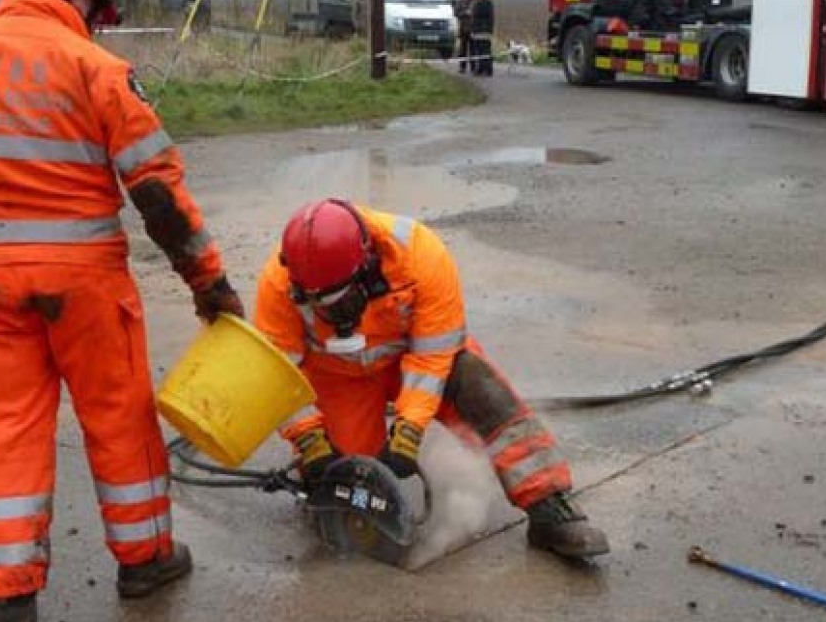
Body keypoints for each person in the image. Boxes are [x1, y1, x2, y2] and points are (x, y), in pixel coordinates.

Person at [0, 0, 244, 621]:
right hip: (87, 284)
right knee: (119, 421)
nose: (96, 21)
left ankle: (11, 595)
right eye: (98, 8)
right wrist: (208, 283)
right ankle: (145, 561)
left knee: (9, 432)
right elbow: (157, 194)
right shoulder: (96, 67)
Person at [254, 200, 609, 562]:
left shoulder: (420, 255)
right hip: (338, 376)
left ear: (368, 265)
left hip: (417, 362)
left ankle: (549, 507)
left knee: (480, 388)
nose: (329, 313)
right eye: (316, 303)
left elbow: (433, 358)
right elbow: (278, 374)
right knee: (343, 475)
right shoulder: (278, 283)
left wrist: (409, 429)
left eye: (338, 300)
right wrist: (309, 438)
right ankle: (327, 487)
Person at [471, 0, 495, 76]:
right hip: (477, 31)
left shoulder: (487, 4)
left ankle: (488, 69)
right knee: (479, 51)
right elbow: (474, 18)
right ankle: (481, 68)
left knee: (486, 51)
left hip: (484, 31)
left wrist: (489, 30)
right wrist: (473, 30)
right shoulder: (476, 4)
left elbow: (491, 18)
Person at [454, 0, 475, 74]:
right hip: (463, 29)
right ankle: (462, 67)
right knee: (463, 50)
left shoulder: (474, 2)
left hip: (473, 29)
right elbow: (456, 13)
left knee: (473, 50)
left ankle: (473, 67)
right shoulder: (460, 2)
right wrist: (464, 13)